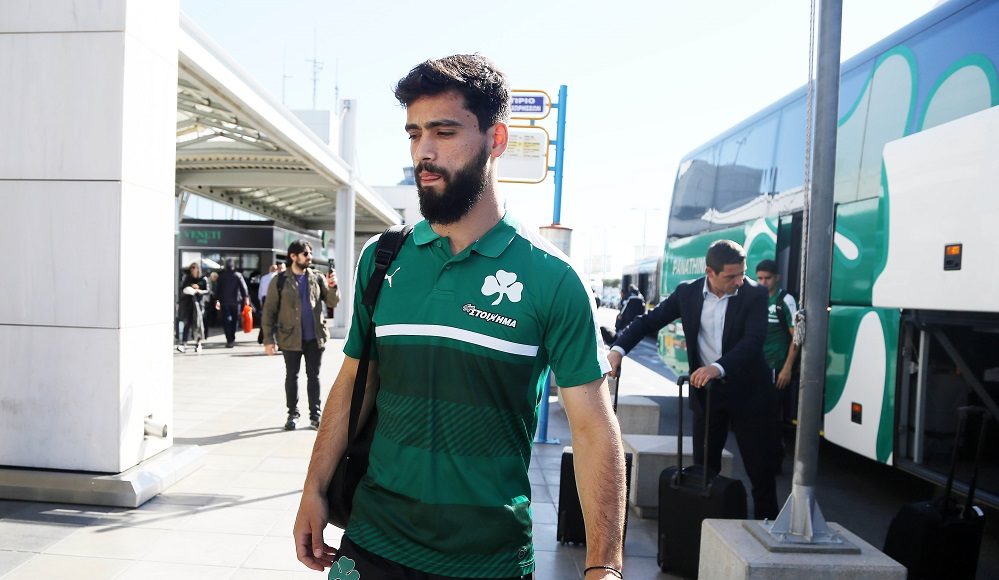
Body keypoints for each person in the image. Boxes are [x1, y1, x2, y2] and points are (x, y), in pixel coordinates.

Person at [293, 54, 625, 580]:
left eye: (444, 132)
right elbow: (356, 378)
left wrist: (603, 566)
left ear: (496, 139)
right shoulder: (383, 259)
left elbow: (591, 430)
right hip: (371, 542)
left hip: (488, 561)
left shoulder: (553, 280)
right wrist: (313, 488)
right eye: (414, 133)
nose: (423, 152)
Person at [607, 240, 779, 520]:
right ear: (710, 272)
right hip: (708, 395)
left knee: (760, 472)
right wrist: (618, 350)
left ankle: (766, 528)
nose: (739, 281)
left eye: (742, 273)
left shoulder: (755, 294)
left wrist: (717, 368)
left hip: (750, 395)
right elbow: (648, 321)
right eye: (731, 276)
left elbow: (753, 341)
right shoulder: (687, 293)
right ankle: (705, 531)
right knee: (704, 472)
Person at [262, 243, 340, 430]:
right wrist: (268, 340)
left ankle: (315, 415)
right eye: (305, 253)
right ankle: (293, 414)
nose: (309, 256)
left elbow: (332, 302)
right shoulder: (279, 280)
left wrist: (333, 286)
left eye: (310, 253)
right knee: (292, 376)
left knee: (314, 376)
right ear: (293, 256)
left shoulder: (317, 277)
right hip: (290, 337)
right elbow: (269, 311)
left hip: (315, 337)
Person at [755, 259, 799, 466]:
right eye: (760, 278)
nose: (763, 282)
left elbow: (796, 337)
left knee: (772, 416)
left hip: (777, 367)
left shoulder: (785, 300)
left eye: (768, 278)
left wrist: (787, 368)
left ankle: (774, 460)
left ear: (777, 278)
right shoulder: (756, 298)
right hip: (757, 367)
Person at [176, 262, 209, 353]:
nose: (192, 270)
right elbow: (182, 288)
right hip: (188, 305)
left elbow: (207, 291)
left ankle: (198, 344)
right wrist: (188, 289)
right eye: (191, 268)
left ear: (198, 269)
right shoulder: (188, 278)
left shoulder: (203, 279)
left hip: (199, 305)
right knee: (187, 324)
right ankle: (183, 344)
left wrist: (198, 290)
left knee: (197, 324)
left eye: (194, 268)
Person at [215, 259, 249, 348]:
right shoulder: (238, 275)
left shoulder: (221, 276)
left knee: (226, 321)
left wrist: (216, 300)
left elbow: (217, 289)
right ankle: (232, 338)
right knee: (235, 320)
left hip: (224, 302)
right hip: (236, 302)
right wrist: (246, 298)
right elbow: (244, 288)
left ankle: (229, 339)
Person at [257, 263, 284, 345]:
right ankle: (275, 338)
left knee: (265, 317)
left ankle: (261, 337)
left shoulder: (264, 278)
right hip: (275, 298)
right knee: (276, 319)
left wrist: (260, 301)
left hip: (265, 298)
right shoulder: (278, 277)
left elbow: (260, 290)